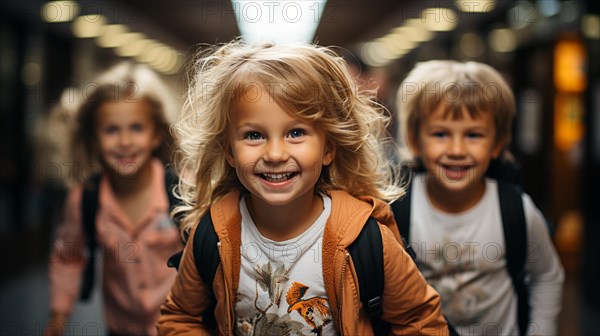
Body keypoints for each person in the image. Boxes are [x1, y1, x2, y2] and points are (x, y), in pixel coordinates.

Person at [158, 40, 448, 335]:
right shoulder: (212, 234)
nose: (274, 154)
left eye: (296, 133)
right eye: (254, 135)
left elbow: (420, 320)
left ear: (328, 148)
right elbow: (180, 317)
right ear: (229, 151)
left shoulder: (366, 238)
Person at [395, 60, 564, 335]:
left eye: (474, 135)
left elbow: (546, 275)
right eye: (440, 134)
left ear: (497, 143)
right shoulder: (399, 210)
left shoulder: (516, 210)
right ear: (415, 140)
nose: (457, 149)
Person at [46, 62, 181, 336]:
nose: (124, 141)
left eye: (137, 128)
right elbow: (68, 256)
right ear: (94, 138)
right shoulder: (86, 199)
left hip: (178, 327)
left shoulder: (180, 192)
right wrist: (58, 316)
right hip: (120, 329)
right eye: (111, 130)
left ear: (157, 135)